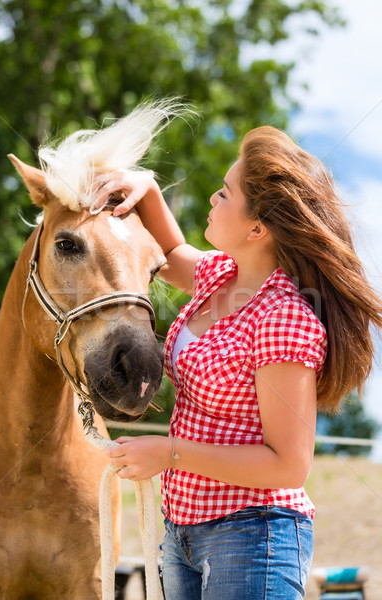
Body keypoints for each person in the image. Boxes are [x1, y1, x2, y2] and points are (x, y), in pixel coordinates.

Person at [99, 126, 382, 599]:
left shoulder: (282, 316)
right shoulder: (219, 276)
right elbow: (168, 252)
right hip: (183, 531)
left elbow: (289, 464)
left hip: (253, 537)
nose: (213, 196)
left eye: (225, 193)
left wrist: (168, 452)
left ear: (257, 228)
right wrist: (145, 186)